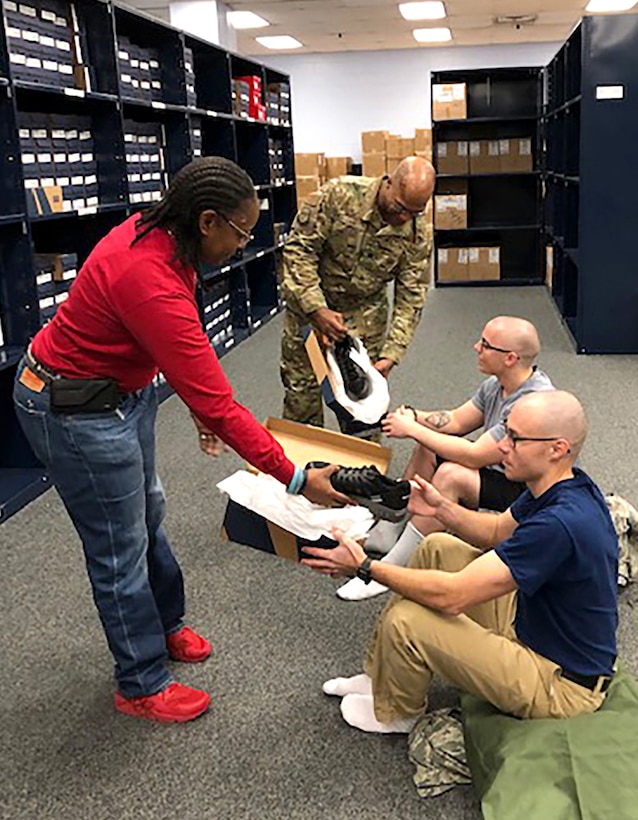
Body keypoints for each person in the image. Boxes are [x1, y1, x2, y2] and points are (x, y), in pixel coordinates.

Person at [13, 157, 348, 724]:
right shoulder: (145, 273)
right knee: (118, 549)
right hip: (73, 410)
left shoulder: (171, 235)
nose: (244, 245)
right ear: (209, 220)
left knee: (149, 514)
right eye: (242, 233)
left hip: (120, 394)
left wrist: (194, 403)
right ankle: (140, 682)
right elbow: (218, 399)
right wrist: (294, 477)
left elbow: (177, 349)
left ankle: (164, 626)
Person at [303, 391, 619, 733]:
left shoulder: (559, 523)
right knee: (436, 547)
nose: (502, 447)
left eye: (515, 439)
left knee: (408, 620)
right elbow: (498, 529)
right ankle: (380, 677)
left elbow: (452, 596)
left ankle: (397, 713)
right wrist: (443, 510)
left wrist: (365, 567)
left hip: (561, 685)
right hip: (533, 626)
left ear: (557, 448)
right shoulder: (562, 484)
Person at [337, 315, 554, 601]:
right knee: (428, 444)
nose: (477, 347)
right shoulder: (496, 384)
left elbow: (476, 455)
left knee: (451, 475)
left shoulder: (530, 402)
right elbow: (455, 421)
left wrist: (412, 429)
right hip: (501, 471)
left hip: (530, 495)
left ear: (510, 358)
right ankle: (391, 531)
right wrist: (416, 418)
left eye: (486, 345)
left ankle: (390, 569)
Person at [280, 156, 436, 427]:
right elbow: (299, 250)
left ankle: (362, 467)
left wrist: (392, 353)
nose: (403, 218)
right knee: (302, 399)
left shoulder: (418, 233)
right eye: (400, 207)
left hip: (365, 314)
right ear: (388, 182)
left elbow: (411, 295)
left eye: (414, 212)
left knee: (364, 407)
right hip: (310, 307)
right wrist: (316, 308)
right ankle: (306, 467)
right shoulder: (339, 195)